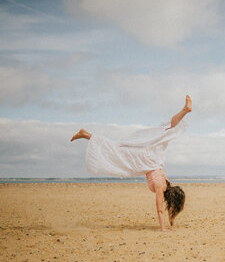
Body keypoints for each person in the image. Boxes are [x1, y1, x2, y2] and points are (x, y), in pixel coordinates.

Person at [70, 95, 192, 232]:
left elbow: (169, 209)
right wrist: (163, 229)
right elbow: (160, 210)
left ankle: (86, 134)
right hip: (147, 160)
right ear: (171, 199)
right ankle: (86, 134)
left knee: (166, 131)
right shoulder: (160, 187)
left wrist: (172, 222)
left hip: (154, 159)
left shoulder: (167, 183)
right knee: (117, 149)